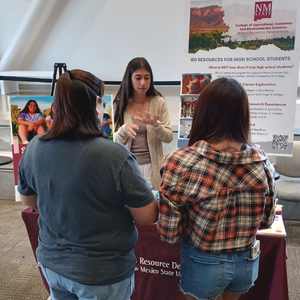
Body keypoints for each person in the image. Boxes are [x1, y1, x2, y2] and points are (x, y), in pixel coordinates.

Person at [18, 69, 158, 300]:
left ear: (56, 105)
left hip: (53, 265)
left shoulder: (34, 148)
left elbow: (30, 201)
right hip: (102, 274)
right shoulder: (115, 156)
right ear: (95, 104)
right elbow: (146, 217)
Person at [158, 78, 276, 300]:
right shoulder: (262, 163)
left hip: (204, 263)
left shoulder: (182, 162)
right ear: (243, 116)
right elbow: (267, 221)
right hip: (246, 262)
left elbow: (169, 232)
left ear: (203, 113)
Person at [114, 57, 173, 190]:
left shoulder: (159, 102)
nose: (143, 82)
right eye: (138, 77)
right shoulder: (121, 103)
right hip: (128, 166)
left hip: (154, 168)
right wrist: (123, 131)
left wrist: (157, 126)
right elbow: (114, 142)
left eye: (147, 77)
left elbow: (169, 137)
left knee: (152, 206)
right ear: (130, 78)